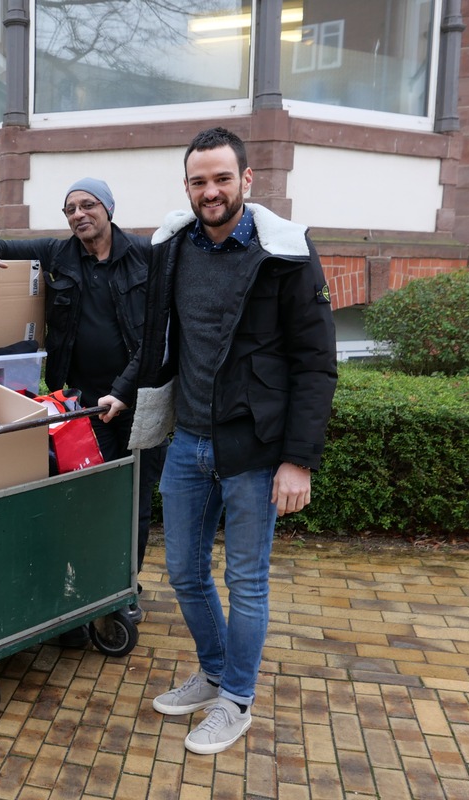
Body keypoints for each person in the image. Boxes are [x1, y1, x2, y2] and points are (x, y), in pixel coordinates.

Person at [103, 127, 337, 754]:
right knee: (182, 571)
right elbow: (158, 341)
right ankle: (213, 672)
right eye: (199, 181)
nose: (211, 191)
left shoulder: (285, 252)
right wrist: (125, 388)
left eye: (222, 179)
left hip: (255, 450)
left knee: (247, 582)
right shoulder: (174, 247)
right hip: (189, 440)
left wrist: (298, 460)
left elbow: (316, 363)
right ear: (187, 187)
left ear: (246, 181)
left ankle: (237, 699)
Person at [0, 178, 169, 625]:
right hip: (79, 408)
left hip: (134, 403)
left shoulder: (147, 257)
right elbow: (4, 243)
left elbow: (158, 340)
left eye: (87, 205)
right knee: (80, 499)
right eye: (70, 209)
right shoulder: (60, 255)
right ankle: (78, 588)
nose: (78, 214)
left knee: (131, 501)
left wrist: (123, 390)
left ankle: (122, 588)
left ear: (108, 209)